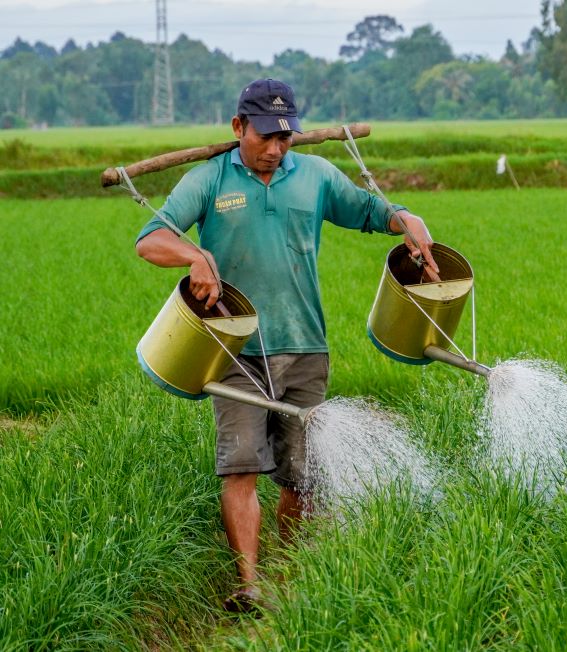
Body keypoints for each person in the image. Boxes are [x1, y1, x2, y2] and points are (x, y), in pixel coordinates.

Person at [135, 78, 439, 613]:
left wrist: (406, 220)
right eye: (265, 137)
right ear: (238, 128)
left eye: (286, 138)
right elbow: (150, 239)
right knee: (241, 467)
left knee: (301, 479)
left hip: (305, 348)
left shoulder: (316, 176)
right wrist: (195, 257)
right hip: (233, 351)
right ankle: (250, 586)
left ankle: (291, 576)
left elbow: (369, 211)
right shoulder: (208, 180)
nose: (276, 149)